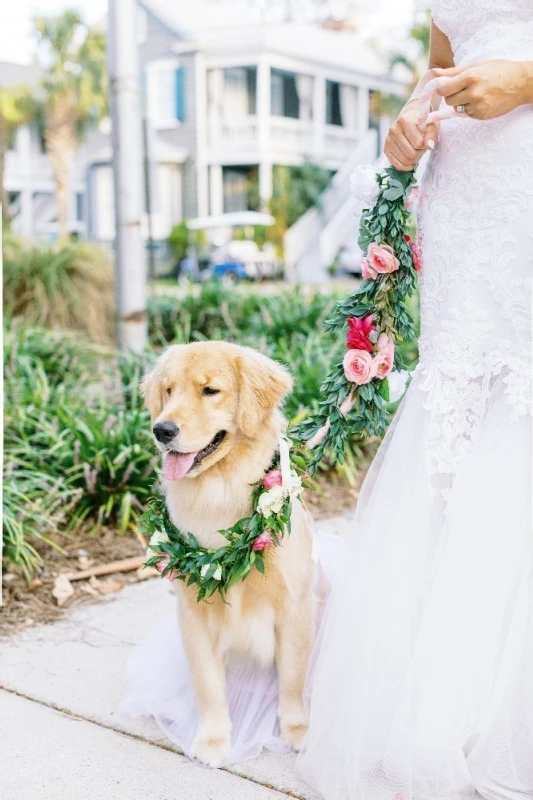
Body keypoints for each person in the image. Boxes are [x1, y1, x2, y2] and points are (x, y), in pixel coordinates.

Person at [297, 3, 533, 799]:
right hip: (465, 195)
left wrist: (528, 77)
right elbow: (443, 56)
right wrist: (406, 122)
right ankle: (450, 703)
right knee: (455, 419)